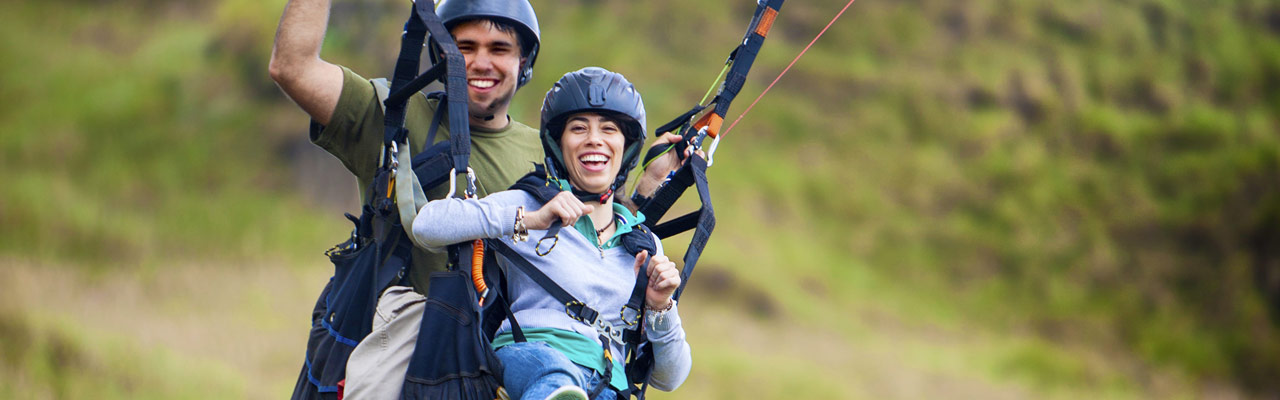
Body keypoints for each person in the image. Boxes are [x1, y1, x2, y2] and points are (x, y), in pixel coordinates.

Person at [269, 1, 691, 398]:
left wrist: (647, 189)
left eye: (499, 49)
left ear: (522, 62)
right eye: (464, 48)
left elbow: (595, 240)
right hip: (413, 333)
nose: (481, 62)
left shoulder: (550, 154)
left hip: (506, 355)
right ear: (440, 55)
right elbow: (293, 67)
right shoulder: (391, 114)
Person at [413, 67, 691, 400]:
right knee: (554, 374)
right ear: (558, 145)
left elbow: (669, 377)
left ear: (626, 147)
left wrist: (661, 307)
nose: (594, 139)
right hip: (531, 356)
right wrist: (530, 219)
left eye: (609, 129)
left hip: (606, 382)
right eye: (578, 128)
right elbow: (427, 225)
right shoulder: (530, 202)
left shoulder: (643, 245)